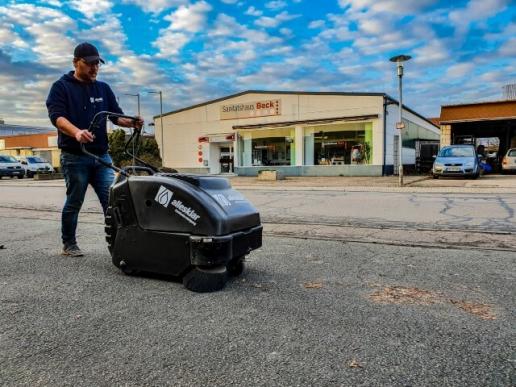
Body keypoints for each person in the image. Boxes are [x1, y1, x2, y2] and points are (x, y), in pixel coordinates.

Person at [46, 42, 143, 257]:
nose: (94, 68)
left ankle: (121, 245)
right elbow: (57, 117)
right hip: (75, 156)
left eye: (97, 64)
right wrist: (77, 133)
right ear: (75, 63)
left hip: (101, 157)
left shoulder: (103, 88)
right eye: (89, 64)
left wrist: (131, 122)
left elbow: (116, 116)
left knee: (111, 201)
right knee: (75, 201)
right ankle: (69, 243)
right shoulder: (61, 87)